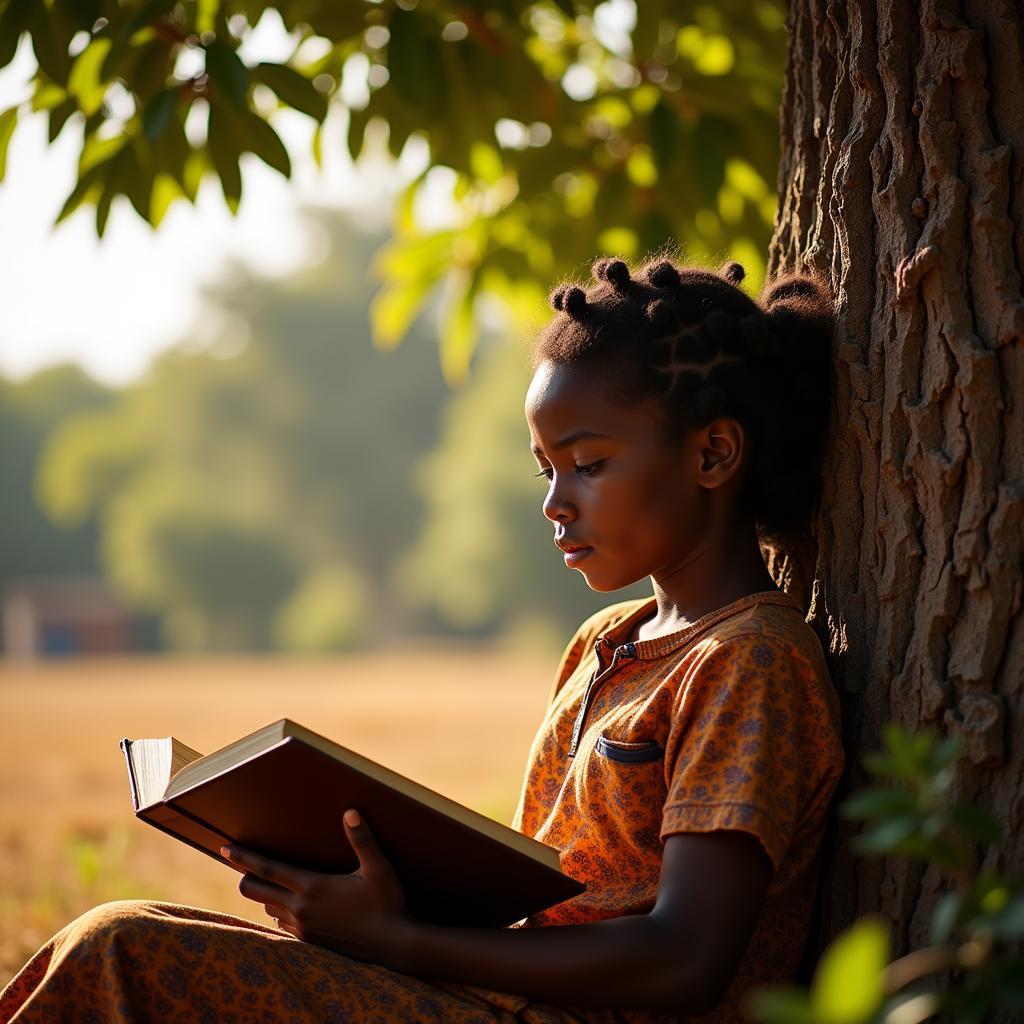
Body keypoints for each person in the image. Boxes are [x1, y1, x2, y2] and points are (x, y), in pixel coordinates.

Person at [0, 256, 845, 1024]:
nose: (555, 501)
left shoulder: (750, 662)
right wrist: (382, 907)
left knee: (123, 953)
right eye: (544, 468)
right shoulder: (605, 640)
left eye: (587, 464)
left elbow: (683, 963)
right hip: (483, 996)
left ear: (715, 453)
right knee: (132, 928)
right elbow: (548, 902)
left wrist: (399, 946)